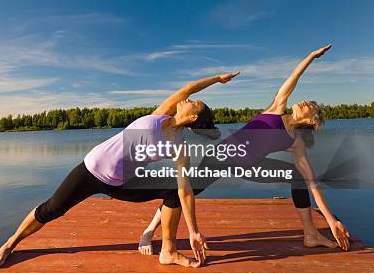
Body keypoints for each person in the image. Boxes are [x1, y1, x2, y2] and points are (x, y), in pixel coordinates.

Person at [0, 72, 240, 270]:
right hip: (90, 169)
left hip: (121, 183)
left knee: (174, 190)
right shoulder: (162, 114)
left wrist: (193, 230)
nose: (188, 100)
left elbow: (185, 190)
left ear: (193, 118)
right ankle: (9, 244)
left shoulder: (179, 146)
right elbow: (187, 88)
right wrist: (218, 79)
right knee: (52, 208)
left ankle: (168, 251)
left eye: (193, 103)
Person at [138, 45, 351, 256]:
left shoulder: (295, 143)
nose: (304, 101)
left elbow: (313, 185)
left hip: (248, 166)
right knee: (185, 191)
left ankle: (311, 234)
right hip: (222, 155)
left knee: (298, 177)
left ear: (311, 121)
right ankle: (148, 232)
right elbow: (294, 76)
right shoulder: (276, 108)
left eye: (310, 106)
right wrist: (311, 56)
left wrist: (332, 220)